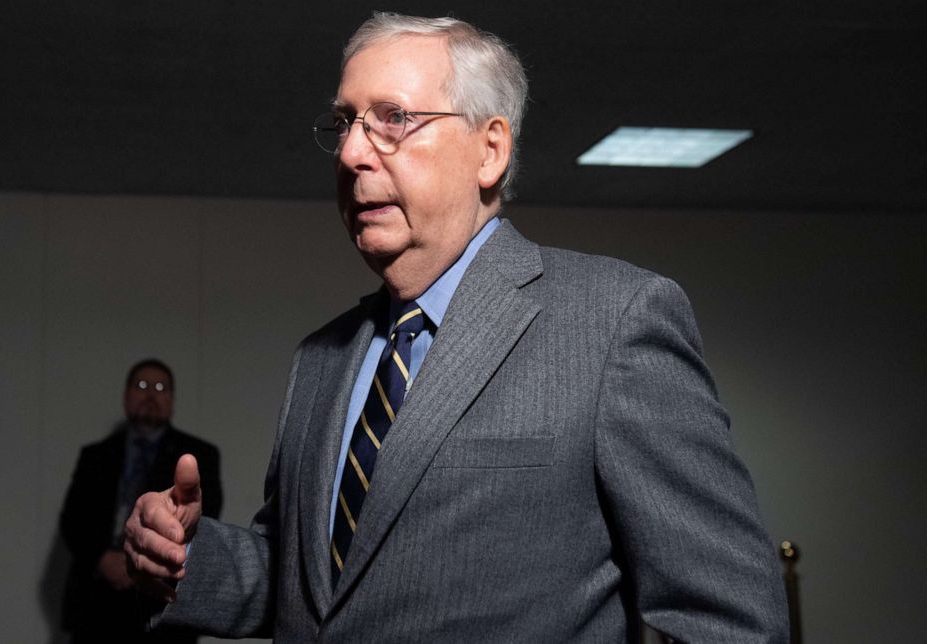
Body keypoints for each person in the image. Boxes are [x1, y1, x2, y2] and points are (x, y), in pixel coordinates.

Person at [125, 13, 788, 642]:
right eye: (345, 122)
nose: (353, 151)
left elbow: (727, 617)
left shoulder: (612, 322)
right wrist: (186, 556)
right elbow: (315, 584)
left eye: (394, 119)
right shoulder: (321, 359)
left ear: (489, 150)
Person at [60, 358, 222, 643]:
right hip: (95, 602)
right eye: (141, 385)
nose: (150, 394)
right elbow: (72, 520)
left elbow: (205, 520)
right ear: (125, 397)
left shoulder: (198, 455)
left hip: (160, 606)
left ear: (172, 400)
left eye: (160, 387)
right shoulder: (95, 455)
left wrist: (141, 559)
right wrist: (101, 558)